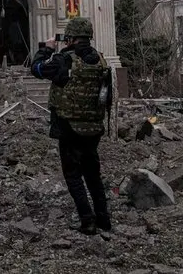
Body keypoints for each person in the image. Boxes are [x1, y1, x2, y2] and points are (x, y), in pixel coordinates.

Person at [29, 17, 113, 235]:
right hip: (93, 127)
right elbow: (106, 97)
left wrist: (46, 50)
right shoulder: (100, 61)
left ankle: (87, 220)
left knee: (73, 175)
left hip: (69, 126)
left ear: (71, 38)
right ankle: (104, 219)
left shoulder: (63, 60)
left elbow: (36, 69)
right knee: (93, 174)